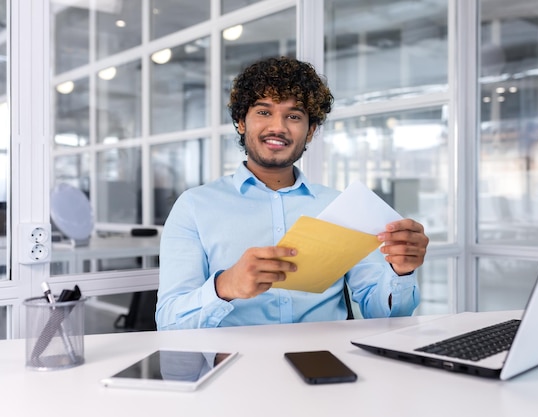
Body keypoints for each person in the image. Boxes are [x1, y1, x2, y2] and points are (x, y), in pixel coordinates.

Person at [156, 56, 429, 330]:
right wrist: (225, 285)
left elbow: (384, 316)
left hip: (327, 361)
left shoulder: (338, 207)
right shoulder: (194, 206)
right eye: (264, 112)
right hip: (235, 364)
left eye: (294, 116)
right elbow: (168, 322)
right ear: (241, 122)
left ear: (310, 132)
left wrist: (400, 271)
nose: (278, 127)